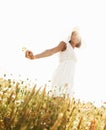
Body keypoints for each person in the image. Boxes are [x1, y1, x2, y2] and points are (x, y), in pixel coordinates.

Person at [25, 29, 81, 98]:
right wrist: (35, 56)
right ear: (71, 36)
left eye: (78, 35)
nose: (76, 36)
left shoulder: (73, 51)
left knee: (65, 99)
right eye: (74, 34)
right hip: (62, 73)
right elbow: (51, 51)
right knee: (57, 96)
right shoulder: (65, 44)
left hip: (69, 77)